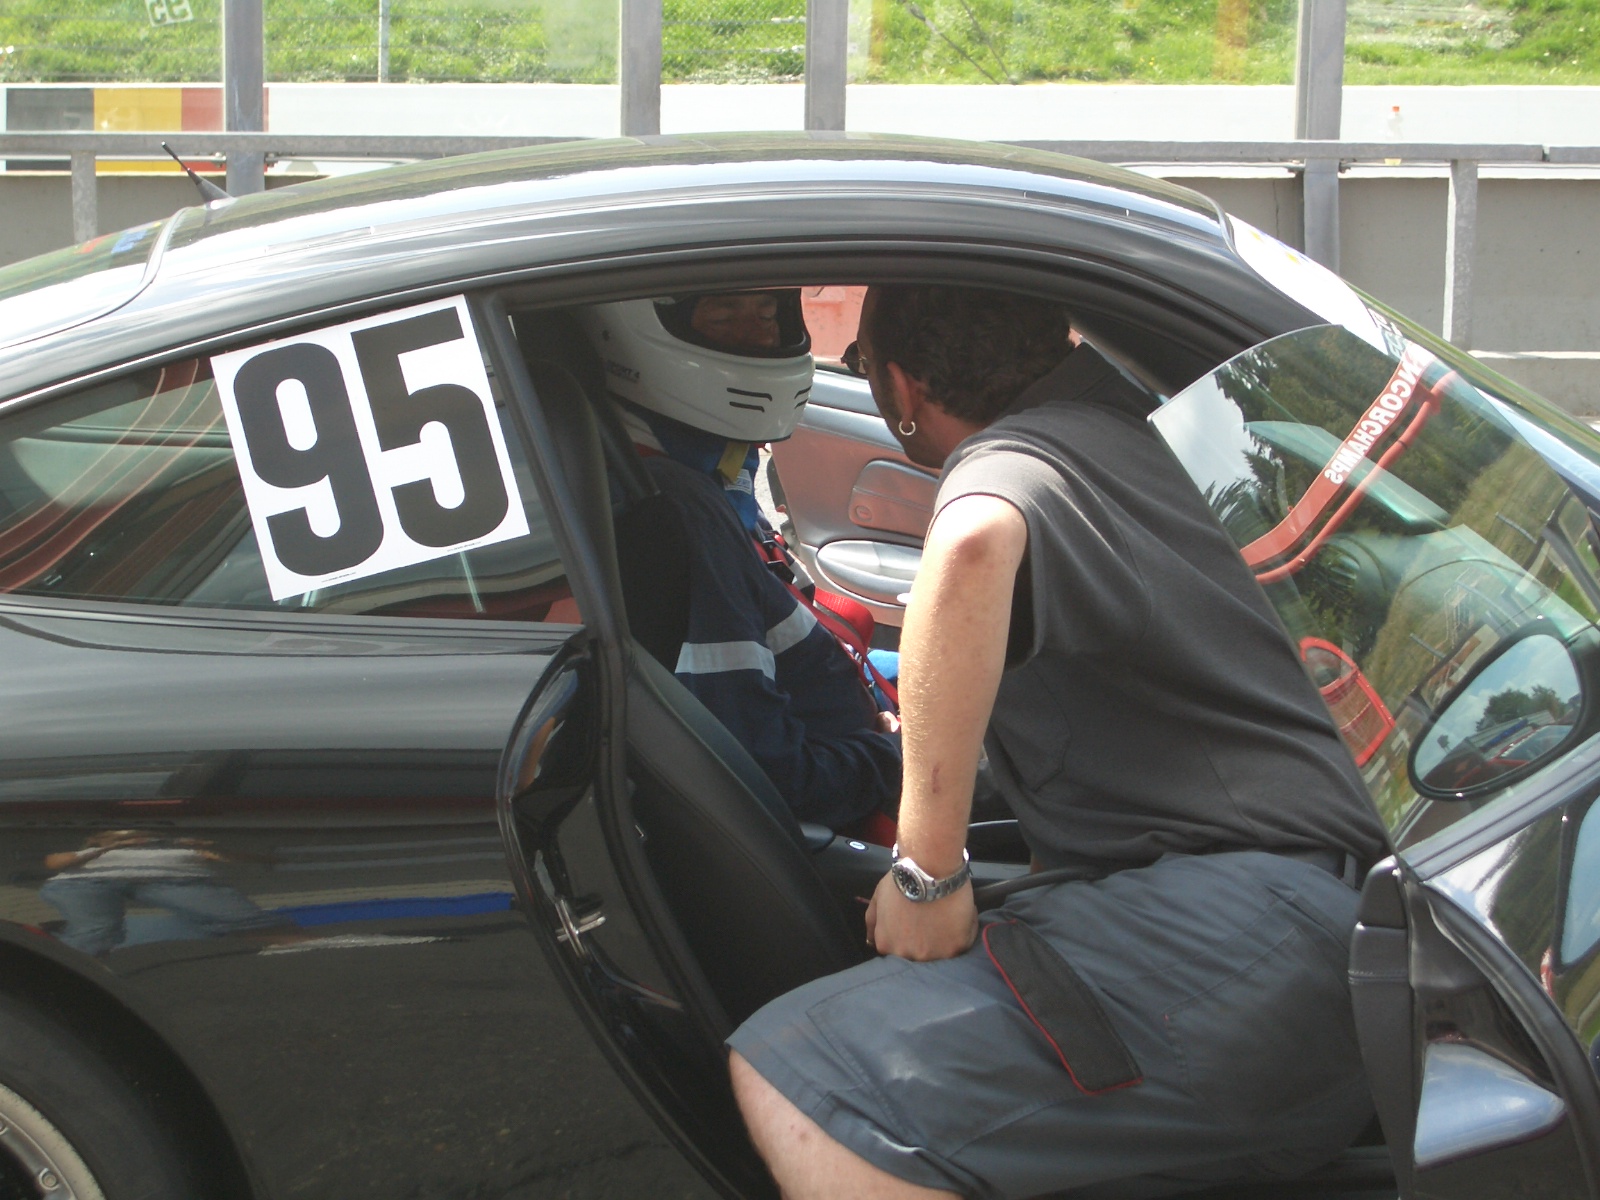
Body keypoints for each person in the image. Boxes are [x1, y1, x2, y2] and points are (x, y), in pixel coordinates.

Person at [727, 285, 1391, 1199]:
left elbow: (973, 544)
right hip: (1311, 935)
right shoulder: (1128, 425)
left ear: (902, 388)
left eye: (862, 368)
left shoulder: (1012, 460)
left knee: (805, 1077)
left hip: (1254, 941)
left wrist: (927, 874)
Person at [579, 291, 901, 831]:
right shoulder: (679, 508)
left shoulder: (703, 466)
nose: (759, 337)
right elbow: (772, 775)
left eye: (768, 316)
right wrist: (895, 756)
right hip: (849, 824)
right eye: (725, 317)